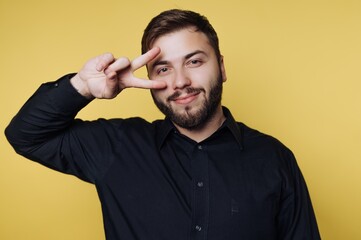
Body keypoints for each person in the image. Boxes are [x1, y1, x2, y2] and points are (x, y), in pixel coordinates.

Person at [5, 9, 321, 240]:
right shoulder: (117, 147)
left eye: (194, 61)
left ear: (221, 67)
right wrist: (83, 87)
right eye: (163, 68)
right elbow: (26, 135)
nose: (180, 82)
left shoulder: (274, 159)